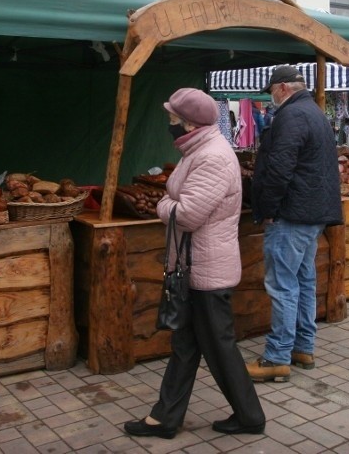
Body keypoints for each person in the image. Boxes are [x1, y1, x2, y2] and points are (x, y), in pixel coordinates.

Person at [123, 88, 265, 439]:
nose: (170, 126)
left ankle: (250, 416)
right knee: (186, 346)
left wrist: (162, 205)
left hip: (208, 269)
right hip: (196, 264)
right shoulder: (198, 149)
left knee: (219, 347)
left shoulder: (212, 157)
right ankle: (165, 418)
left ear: (189, 123)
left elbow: (186, 214)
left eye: (173, 120)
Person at [248, 65, 343, 382]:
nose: (270, 97)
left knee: (284, 285)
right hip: (311, 213)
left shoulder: (291, 115)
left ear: (283, 88)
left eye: (271, 91)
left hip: (292, 214)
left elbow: (280, 168)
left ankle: (277, 357)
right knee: (302, 282)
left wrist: (269, 207)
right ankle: (302, 347)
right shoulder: (313, 112)